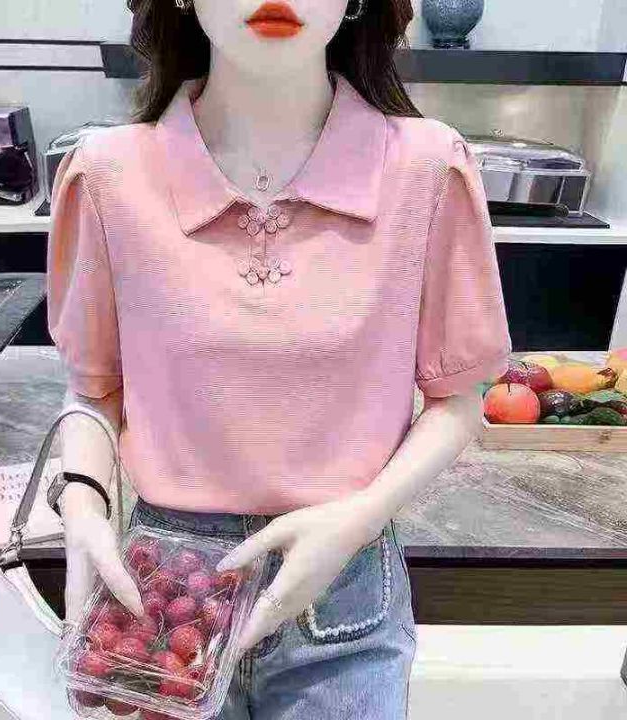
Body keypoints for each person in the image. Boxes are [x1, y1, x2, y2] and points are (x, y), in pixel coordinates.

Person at [46, 0, 512, 717]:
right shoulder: (109, 173)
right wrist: (83, 507)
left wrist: (357, 521)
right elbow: (93, 388)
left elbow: (460, 398)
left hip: (344, 590)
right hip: (161, 593)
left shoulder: (426, 168)